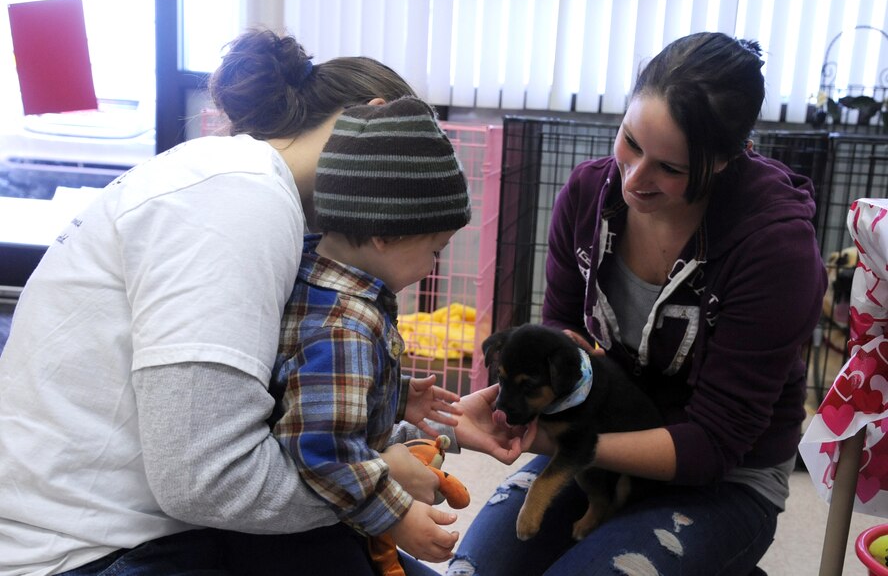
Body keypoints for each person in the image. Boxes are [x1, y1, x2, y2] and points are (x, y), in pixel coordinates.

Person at [0, 29, 520, 576]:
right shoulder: (239, 199)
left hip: (139, 523)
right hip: (93, 551)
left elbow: (290, 416)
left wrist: (416, 425)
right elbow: (210, 482)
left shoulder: (257, 198)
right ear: (373, 119)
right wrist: (383, 490)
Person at [446, 32, 828, 576]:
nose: (634, 178)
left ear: (725, 159)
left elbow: (714, 444)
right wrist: (530, 399)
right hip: (599, 433)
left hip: (723, 475)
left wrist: (568, 440)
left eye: (670, 169)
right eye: (630, 141)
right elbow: (561, 328)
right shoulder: (586, 195)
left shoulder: (776, 251)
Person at [226, 97, 474, 575]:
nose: (432, 267)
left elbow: (308, 388)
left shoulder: (315, 274)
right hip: (303, 544)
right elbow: (324, 447)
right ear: (384, 233)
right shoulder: (346, 327)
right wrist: (397, 515)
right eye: (434, 249)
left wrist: (397, 397)